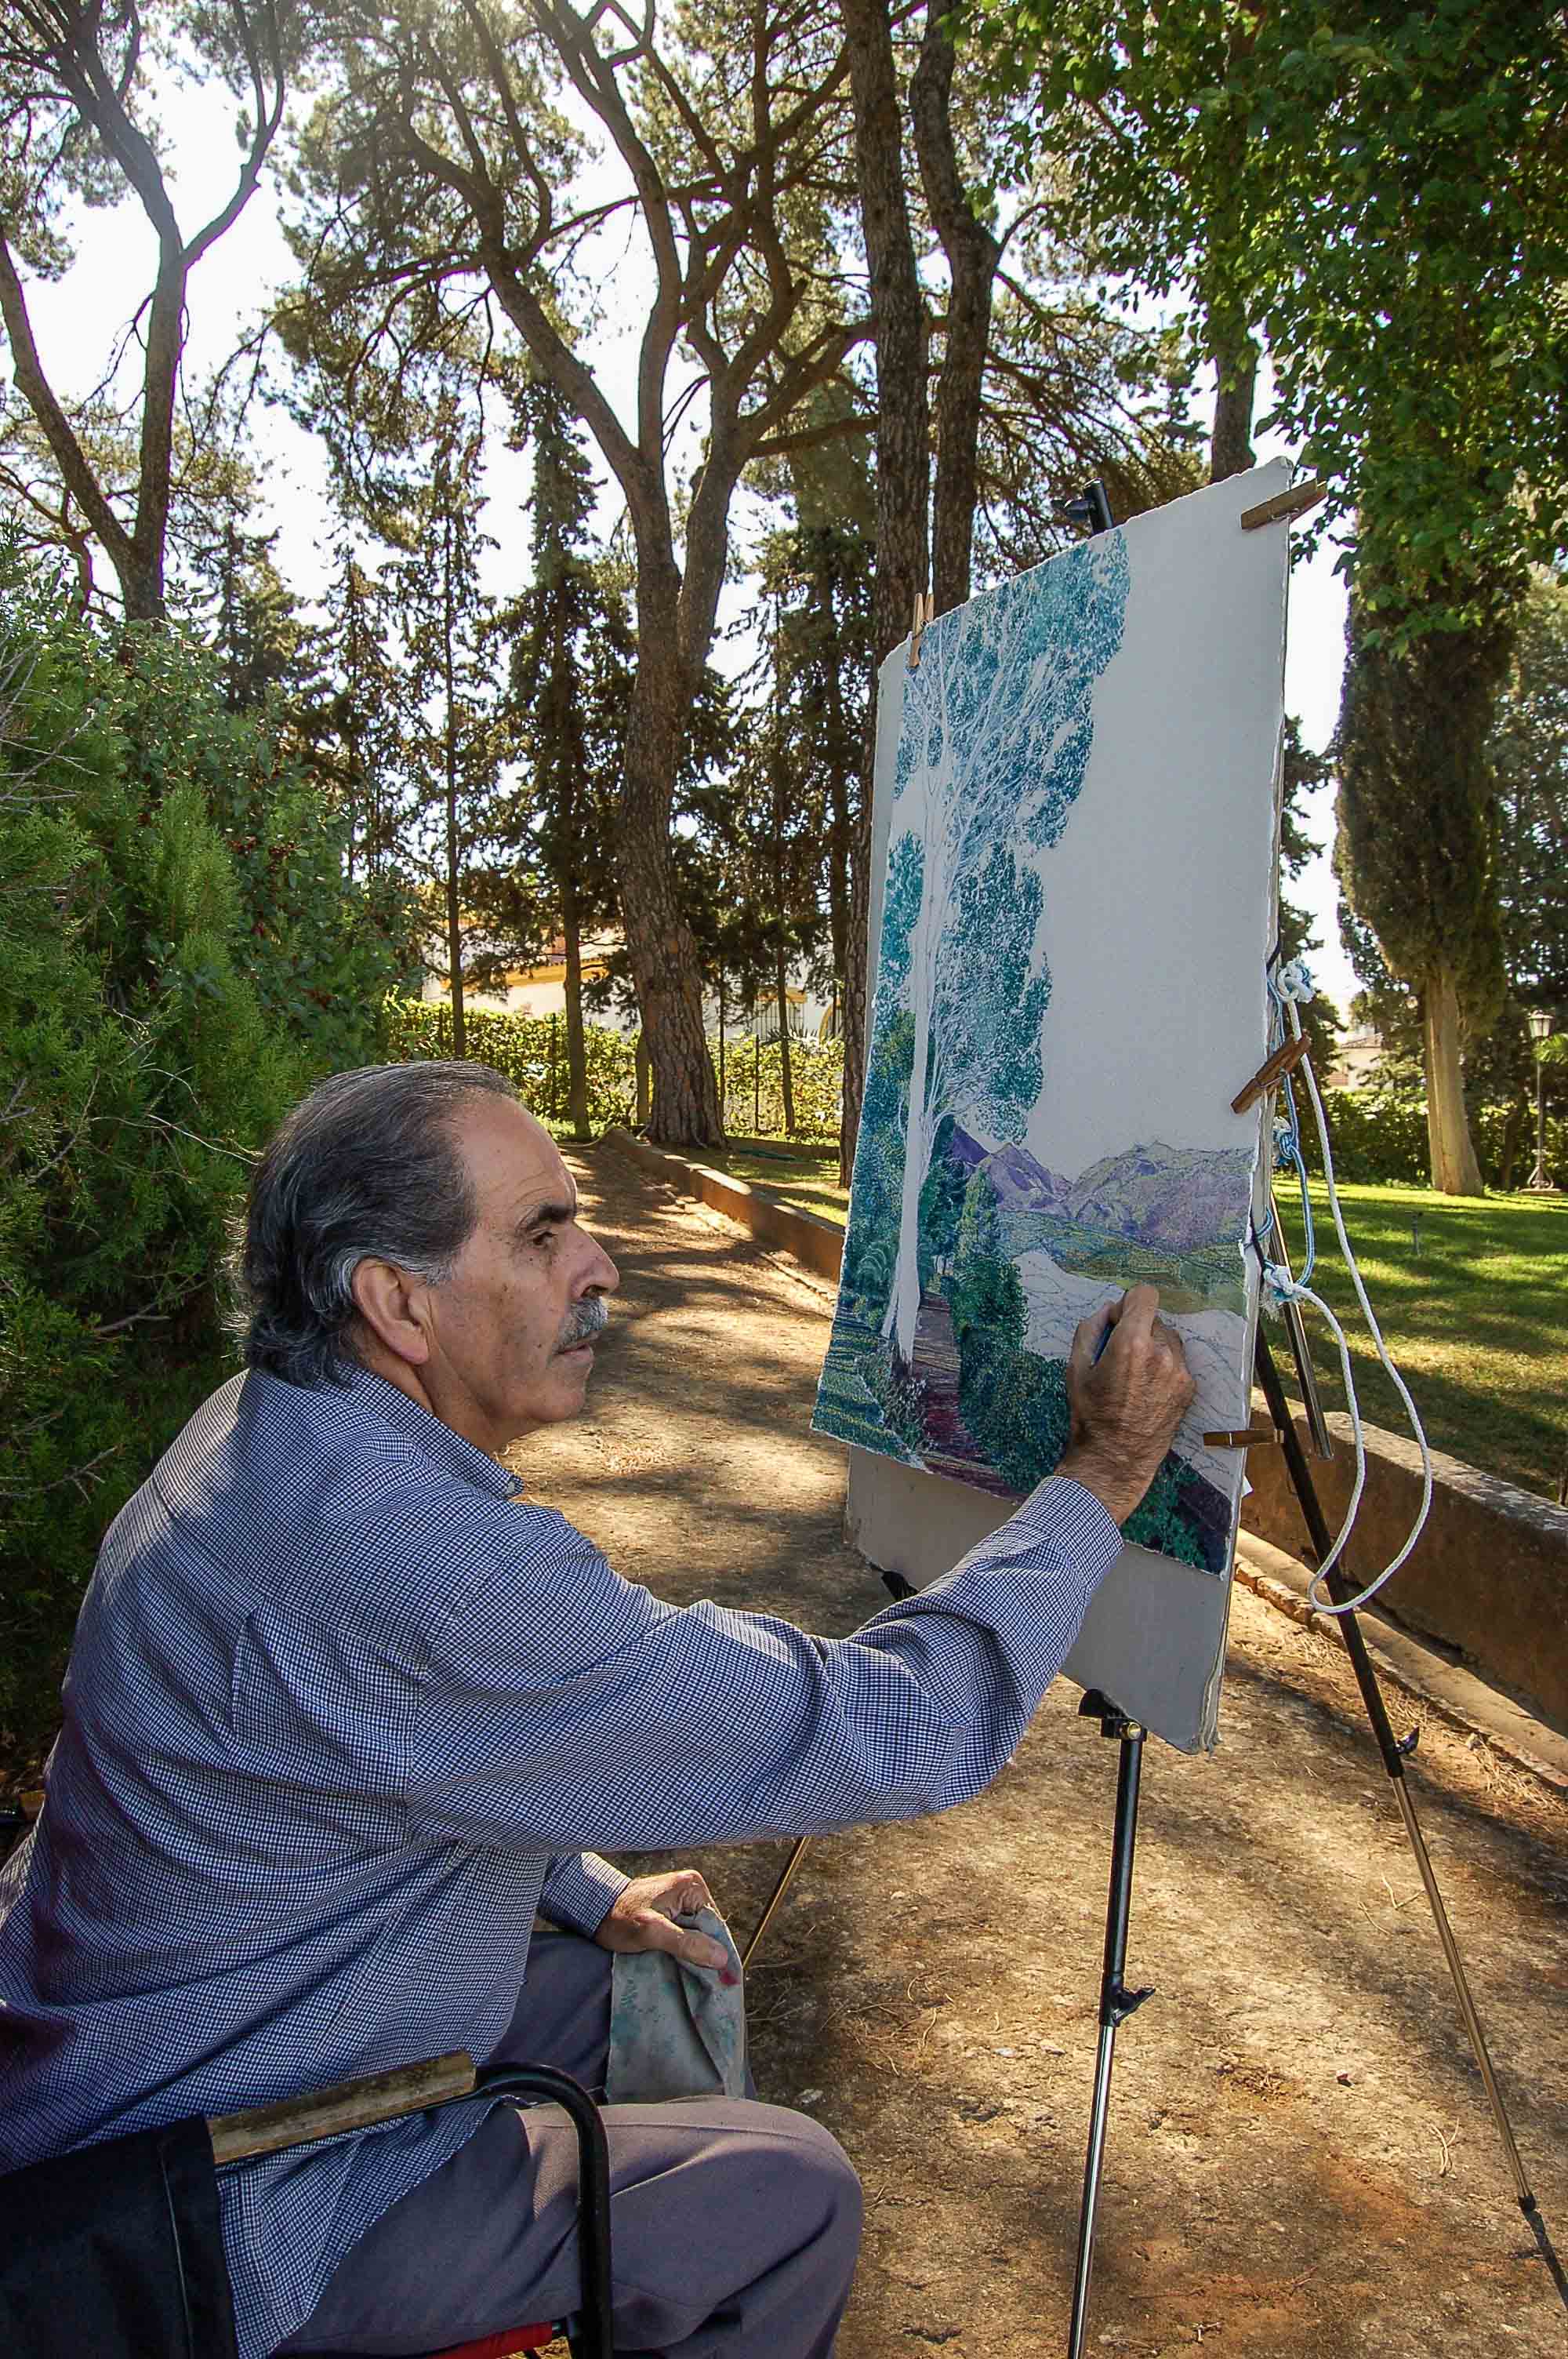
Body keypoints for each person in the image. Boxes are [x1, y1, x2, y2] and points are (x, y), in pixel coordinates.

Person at [0, 1061, 1194, 2359]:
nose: (602, 1264)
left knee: (655, 1980)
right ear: (397, 1303)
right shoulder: (438, 1575)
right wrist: (1103, 1475)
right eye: (541, 1232)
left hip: (113, 2055)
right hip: (206, 2202)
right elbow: (892, 1725)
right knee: (787, 2200)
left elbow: (359, 1752)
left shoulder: (258, 1429)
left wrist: (576, 1884)